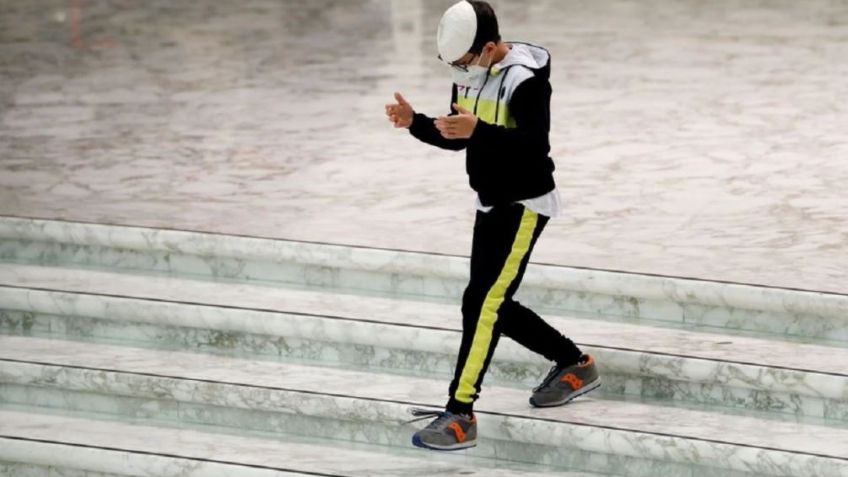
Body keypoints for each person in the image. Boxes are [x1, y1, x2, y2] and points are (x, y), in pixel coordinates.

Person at [385, 0, 600, 451]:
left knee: (483, 303)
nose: (460, 71)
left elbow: (533, 146)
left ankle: (460, 412)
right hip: (489, 202)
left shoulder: (525, 82)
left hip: (524, 203)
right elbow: (454, 136)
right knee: (485, 301)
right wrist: (415, 124)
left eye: (464, 61)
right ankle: (573, 362)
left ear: (487, 47)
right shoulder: (468, 74)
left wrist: (479, 131)